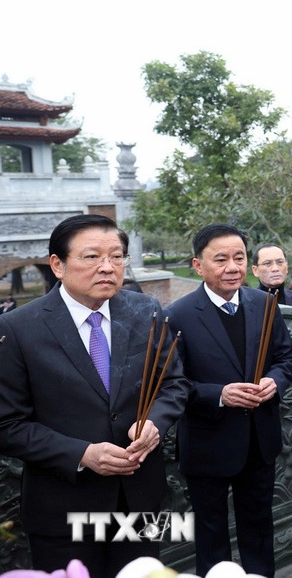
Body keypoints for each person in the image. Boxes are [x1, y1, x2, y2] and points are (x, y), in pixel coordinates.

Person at [0, 214, 189, 574]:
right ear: (57, 264)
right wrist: (82, 454)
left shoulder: (145, 311)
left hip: (139, 499)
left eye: (117, 257)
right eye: (91, 257)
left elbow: (174, 383)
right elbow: (7, 424)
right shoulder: (17, 329)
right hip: (64, 507)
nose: (107, 267)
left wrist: (154, 423)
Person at [166, 225, 292, 577]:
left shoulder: (264, 304)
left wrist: (275, 381)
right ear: (198, 265)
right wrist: (219, 395)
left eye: (239, 258)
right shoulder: (178, 315)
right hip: (207, 441)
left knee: (259, 527)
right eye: (221, 259)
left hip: (259, 438)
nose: (232, 267)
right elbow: (171, 383)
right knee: (210, 534)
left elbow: (287, 359)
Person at [251, 243, 292, 311]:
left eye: (280, 262)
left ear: (287, 266)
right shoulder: (247, 303)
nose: (275, 268)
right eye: (267, 263)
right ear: (255, 270)